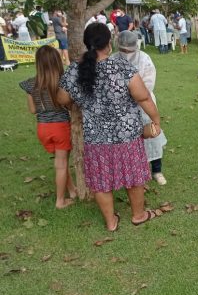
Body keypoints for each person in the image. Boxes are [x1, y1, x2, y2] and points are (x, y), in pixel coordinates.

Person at [57, 23, 162, 231]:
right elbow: (143, 97)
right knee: (134, 177)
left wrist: (78, 103)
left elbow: (62, 98)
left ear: (87, 44)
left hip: (96, 138)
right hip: (127, 135)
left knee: (101, 181)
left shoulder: (75, 70)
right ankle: (138, 215)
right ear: (109, 44)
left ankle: (111, 222)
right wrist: (156, 120)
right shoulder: (121, 67)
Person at [19, 45, 76, 209]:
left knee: (60, 162)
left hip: (43, 129)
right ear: (57, 61)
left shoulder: (30, 84)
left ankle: (72, 190)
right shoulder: (62, 82)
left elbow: (33, 110)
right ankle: (60, 201)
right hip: (61, 128)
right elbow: (69, 105)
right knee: (61, 164)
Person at [112, 31, 168, 185]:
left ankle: (157, 170)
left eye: (128, 50)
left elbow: (148, 84)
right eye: (123, 50)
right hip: (121, 108)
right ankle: (131, 171)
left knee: (152, 136)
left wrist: (132, 93)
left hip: (144, 105)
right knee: (127, 141)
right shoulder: (113, 60)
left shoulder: (145, 59)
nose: (126, 53)